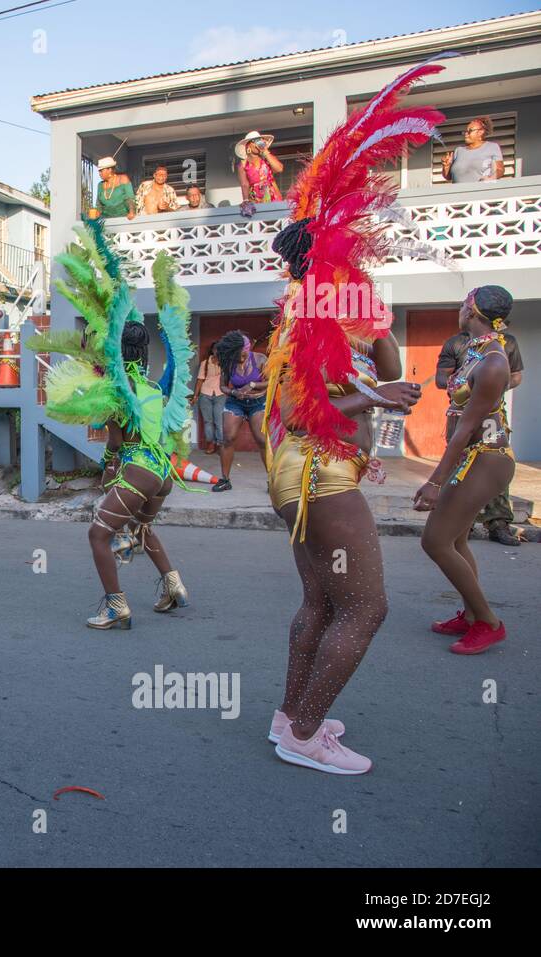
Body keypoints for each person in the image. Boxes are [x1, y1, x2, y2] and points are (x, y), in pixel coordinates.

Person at [262, 58, 445, 774]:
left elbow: (390, 365)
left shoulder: (321, 314)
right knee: (365, 607)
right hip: (318, 472)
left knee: (320, 600)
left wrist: (379, 338)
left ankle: (291, 716)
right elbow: (300, 410)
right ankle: (305, 732)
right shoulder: (308, 325)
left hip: (305, 476)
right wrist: (370, 398)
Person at [29, 228, 196, 630]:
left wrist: (107, 470)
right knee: (141, 527)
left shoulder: (118, 392)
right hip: (163, 473)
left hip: (137, 470)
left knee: (98, 535)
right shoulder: (155, 388)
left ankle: (115, 603)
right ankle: (172, 584)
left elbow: (118, 444)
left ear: (116, 353)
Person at [416, 286, 516, 655]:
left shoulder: (493, 361)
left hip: (486, 459)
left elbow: (466, 428)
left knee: (435, 541)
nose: (459, 308)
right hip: (472, 457)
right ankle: (473, 614)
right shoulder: (474, 351)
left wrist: (434, 480)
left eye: (463, 303)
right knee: (455, 540)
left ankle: (489, 622)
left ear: (472, 309)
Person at [436, 320, 523, 546]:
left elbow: (516, 376)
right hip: (459, 415)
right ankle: (463, 523)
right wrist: (465, 385)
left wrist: (489, 387)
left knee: (491, 465)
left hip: (491, 417)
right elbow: (440, 378)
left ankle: (498, 523)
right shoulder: (456, 344)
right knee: (458, 465)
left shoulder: (507, 344)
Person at [213, 331, 268, 491]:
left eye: (241, 355)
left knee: (262, 440)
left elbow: (271, 381)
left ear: (247, 349)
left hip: (258, 402)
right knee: (228, 438)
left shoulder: (260, 359)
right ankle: (225, 480)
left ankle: (272, 480)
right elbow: (223, 386)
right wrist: (234, 392)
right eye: (235, 356)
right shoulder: (228, 362)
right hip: (235, 402)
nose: (239, 359)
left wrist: (252, 385)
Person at [441, 117, 505, 183]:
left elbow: (499, 169)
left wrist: (491, 178)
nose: (466, 134)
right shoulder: (458, 150)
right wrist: (446, 166)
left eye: (470, 131)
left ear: (480, 132)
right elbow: (448, 177)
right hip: (458, 192)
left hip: (480, 191)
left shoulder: (492, 147)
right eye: (465, 131)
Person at [236, 131, 283, 213]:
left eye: (259, 140)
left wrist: (265, 151)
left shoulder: (267, 159)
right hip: (256, 198)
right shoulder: (243, 164)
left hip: (272, 195)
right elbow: (244, 184)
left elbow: (279, 169)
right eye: (255, 141)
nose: (258, 143)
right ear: (248, 145)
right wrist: (246, 200)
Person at [194, 341, 224, 454]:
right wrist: (195, 395)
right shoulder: (205, 363)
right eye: (216, 349)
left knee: (219, 422)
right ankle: (210, 444)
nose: (217, 351)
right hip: (205, 394)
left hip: (220, 395)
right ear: (212, 350)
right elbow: (200, 380)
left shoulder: (225, 363)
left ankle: (221, 444)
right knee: (208, 422)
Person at [87, 156, 135, 221]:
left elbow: (130, 198)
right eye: (99, 171)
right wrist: (94, 215)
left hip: (123, 218)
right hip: (106, 221)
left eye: (101, 170)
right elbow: (99, 205)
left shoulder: (123, 178)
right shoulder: (100, 185)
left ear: (109, 169)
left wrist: (132, 212)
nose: (99, 173)